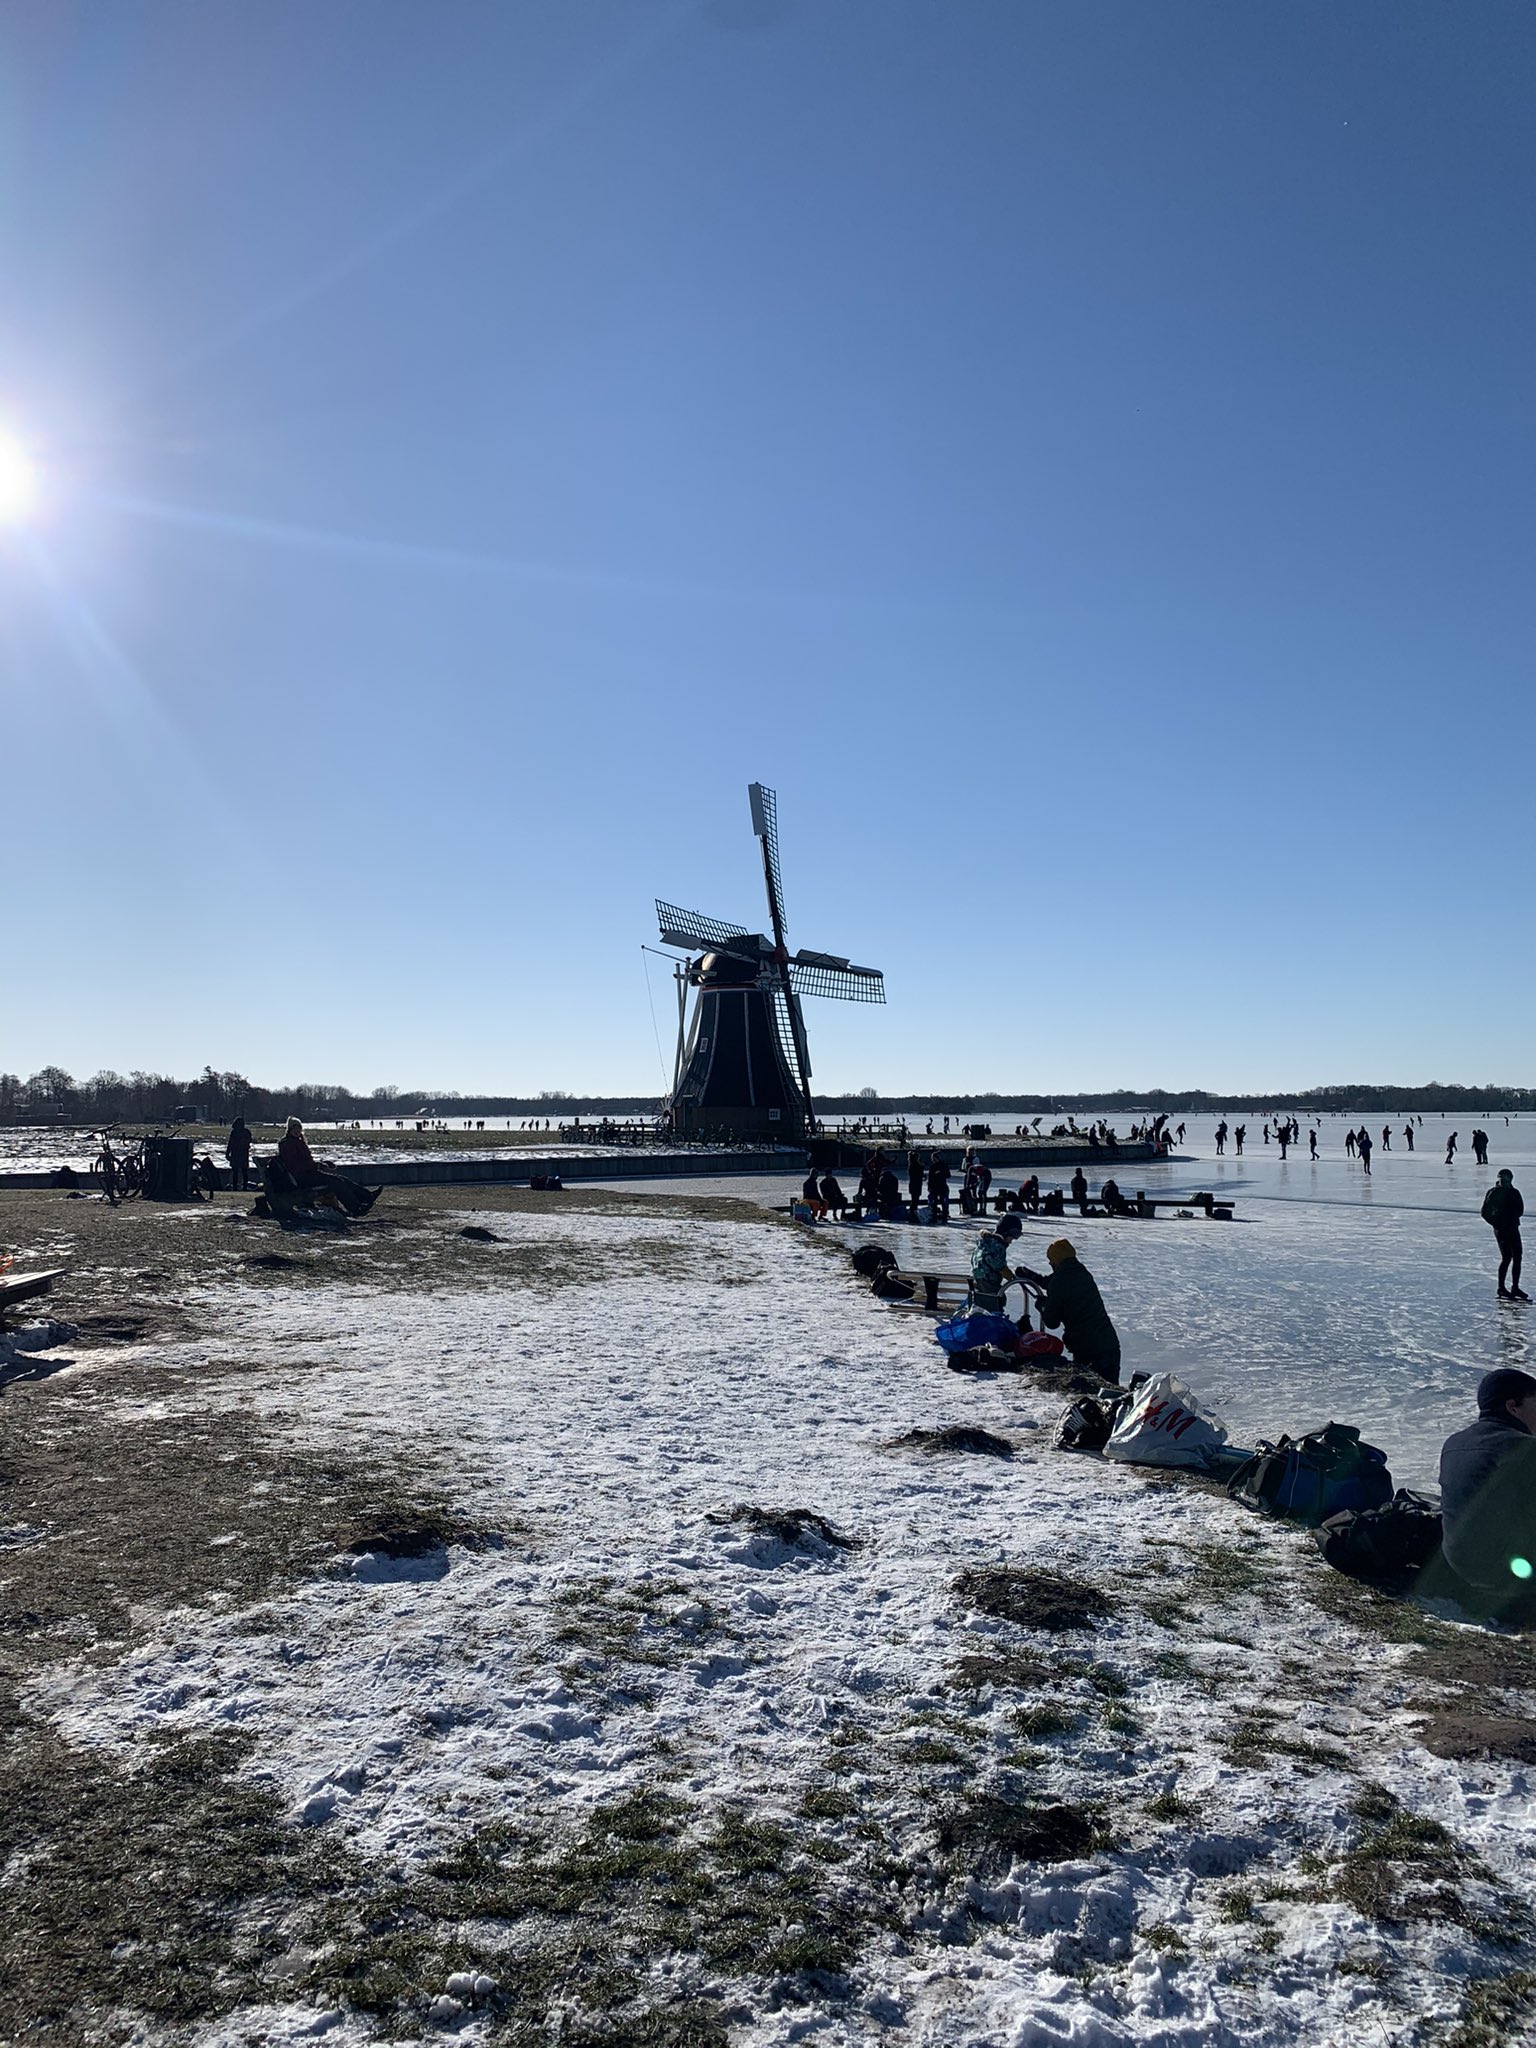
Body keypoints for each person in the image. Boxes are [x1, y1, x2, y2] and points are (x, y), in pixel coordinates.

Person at [1436, 1369, 1536, 1621]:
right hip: (1510, 1577)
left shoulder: (1454, 1443)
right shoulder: (1524, 1449)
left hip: (1462, 1568)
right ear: (1513, 1407)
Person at [1019, 1239, 1121, 1383]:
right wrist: (1033, 1277)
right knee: (1112, 1390)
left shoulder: (1059, 1282)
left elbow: (1052, 1322)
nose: (1050, 1264)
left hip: (1087, 1350)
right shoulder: (1082, 1272)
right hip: (1109, 1344)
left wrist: (1042, 1305)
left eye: (1051, 1261)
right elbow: (1059, 1283)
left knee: (1092, 1390)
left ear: (1056, 1261)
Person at [274, 1118, 379, 1217]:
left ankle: (366, 1197)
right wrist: (317, 1165)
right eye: (294, 1128)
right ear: (289, 1129)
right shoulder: (288, 1144)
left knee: (341, 1179)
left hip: (308, 1174)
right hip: (302, 1178)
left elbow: (304, 1162)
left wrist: (321, 1164)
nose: (297, 1130)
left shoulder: (296, 1141)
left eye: (299, 1128)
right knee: (337, 1182)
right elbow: (295, 1165)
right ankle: (355, 1207)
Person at [1482, 1169, 1528, 1300]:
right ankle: (1501, 1288)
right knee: (1507, 1257)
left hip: (1513, 1227)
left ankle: (1515, 1287)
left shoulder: (1514, 1192)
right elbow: (1485, 1212)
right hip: (1501, 1230)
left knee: (1517, 1256)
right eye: (1502, 1178)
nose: (1505, 1181)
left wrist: (1512, 1218)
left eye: (1507, 1178)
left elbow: (1520, 1210)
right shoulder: (1494, 1192)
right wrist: (1496, 1223)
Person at [970, 1212, 1025, 1314]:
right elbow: (997, 1263)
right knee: (997, 1301)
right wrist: (1007, 1273)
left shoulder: (985, 1243)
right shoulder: (997, 1246)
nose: (1011, 1241)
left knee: (990, 1302)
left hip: (978, 1281)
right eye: (1012, 1237)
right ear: (1006, 1232)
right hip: (989, 1282)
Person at [224, 1116, 253, 1192]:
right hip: (244, 1153)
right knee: (244, 1171)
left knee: (235, 1171)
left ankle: (235, 1187)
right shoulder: (247, 1132)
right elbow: (249, 1141)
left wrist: (227, 1153)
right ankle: (244, 1187)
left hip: (235, 1153)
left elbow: (230, 1143)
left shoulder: (234, 1132)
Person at [927, 1155, 951, 1222]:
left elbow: (948, 1175)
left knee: (942, 1201)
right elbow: (930, 1177)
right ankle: (934, 1216)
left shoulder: (944, 1165)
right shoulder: (932, 1166)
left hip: (941, 1185)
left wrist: (941, 1173)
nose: (933, 1160)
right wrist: (929, 1186)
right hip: (935, 1186)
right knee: (934, 1202)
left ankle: (944, 1216)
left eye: (934, 1158)